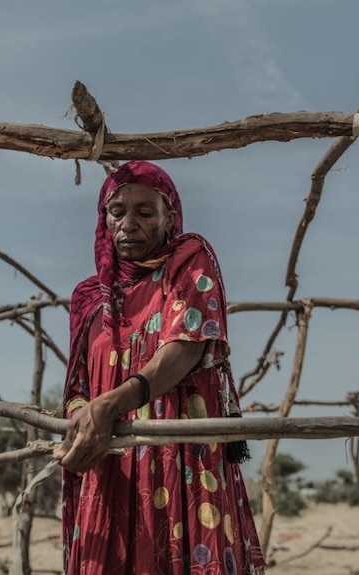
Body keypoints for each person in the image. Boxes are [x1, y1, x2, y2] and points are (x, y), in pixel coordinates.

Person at [54, 160, 266, 574]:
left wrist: (112, 403)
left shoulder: (188, 263)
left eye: (145, 212)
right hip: (111, 464)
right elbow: (78, 384)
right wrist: (83, 417)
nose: (128, 224)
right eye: (117, 213)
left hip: (181, 463)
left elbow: (184, 348)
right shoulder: (89, 297)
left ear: (170, 217)